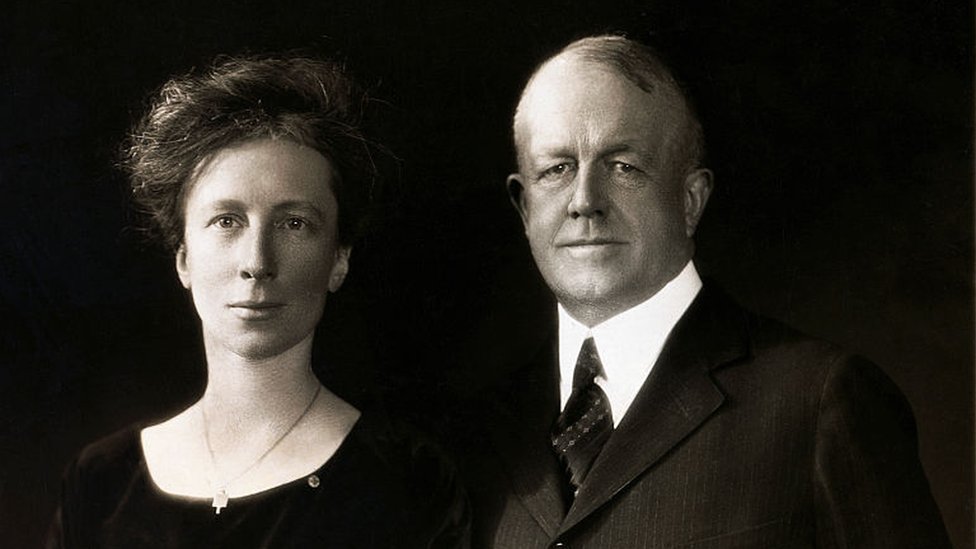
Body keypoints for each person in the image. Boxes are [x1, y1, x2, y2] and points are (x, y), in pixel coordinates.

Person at [456, 35, 950, 548]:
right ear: (524, 206)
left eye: (623, 166)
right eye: (557, 169)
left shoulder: (820, 401)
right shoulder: (477, 434)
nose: (584, 201)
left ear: (691, 199)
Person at [47, 54, 467, 548]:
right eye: (227, 220)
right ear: (183, 258)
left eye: (294, 224)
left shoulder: (408, 480)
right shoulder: (102, 481)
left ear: (338, 260)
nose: (257, 261)